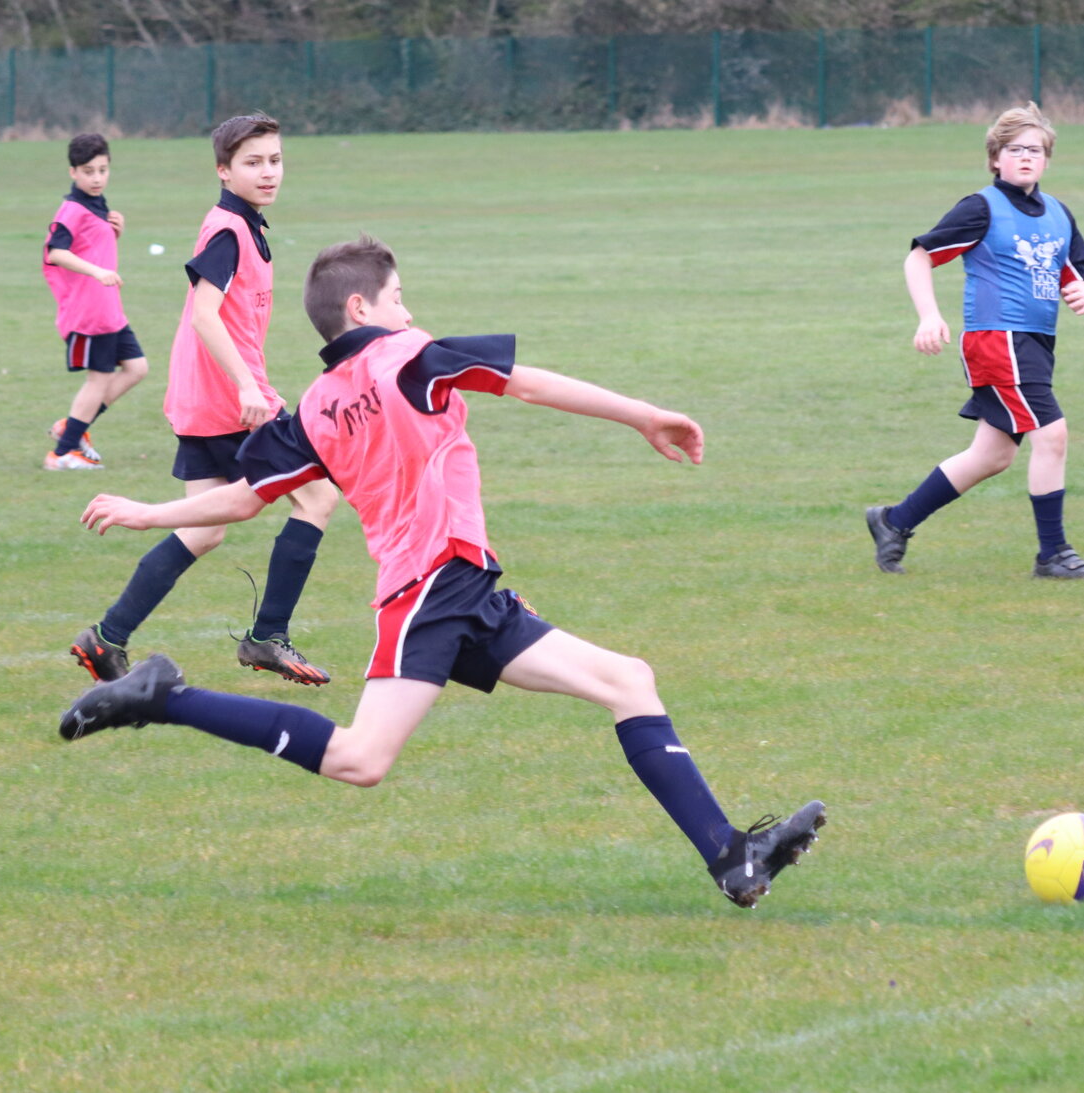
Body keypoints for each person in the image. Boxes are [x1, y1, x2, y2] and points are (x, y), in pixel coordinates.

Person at [62, 235, 826, 910]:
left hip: (464, 585)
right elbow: (526, 381)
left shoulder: (320, 405)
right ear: (362, 305)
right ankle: (167, 698)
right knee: (361, 758)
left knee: (629, 679)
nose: (408, 307)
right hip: (428, 591)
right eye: (398, 296)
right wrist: (643, 413)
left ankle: (734, 856)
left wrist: (147, 511)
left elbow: (241, 497)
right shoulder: (411, 357)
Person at [67, 113, 338, 687]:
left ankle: (106, 638)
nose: (268, 173)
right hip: (226, 400)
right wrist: (246, 385)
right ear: (224, 170)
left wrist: (250, 379)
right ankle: (268, 637)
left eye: (275, 160)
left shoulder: (246, 225)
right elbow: (205, 314)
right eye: (253, 162)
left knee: (204, 527)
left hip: (205, 395)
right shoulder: (226, 231)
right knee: (315, 498)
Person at [864, 103, 1084, 579]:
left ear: (1047, 159)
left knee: (993, 455)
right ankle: (1052, 554)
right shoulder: (981, 208)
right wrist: (929, 316)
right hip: (997, 340)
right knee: (1052, 435)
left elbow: (1071, 273)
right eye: (1014, 150)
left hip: (1035, 343)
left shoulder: (1058, 213)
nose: (1025, 158)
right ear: (995, 158)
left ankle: (894, 521)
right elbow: (918, 257)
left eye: (1035, 151)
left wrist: (1078, 290)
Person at [42, 133, 146, 469]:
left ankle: (72, 427)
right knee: (98, 378)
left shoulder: (96, 205)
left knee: (136, 368)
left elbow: (92, 242)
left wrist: (115, 230)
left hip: (109, 310)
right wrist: (97, 272)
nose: (97, 178)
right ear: (73, 172)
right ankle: (62, 453)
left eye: (103, 170)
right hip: (89, 312)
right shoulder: (72, 209)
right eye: (89, 171)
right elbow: (57, 252)